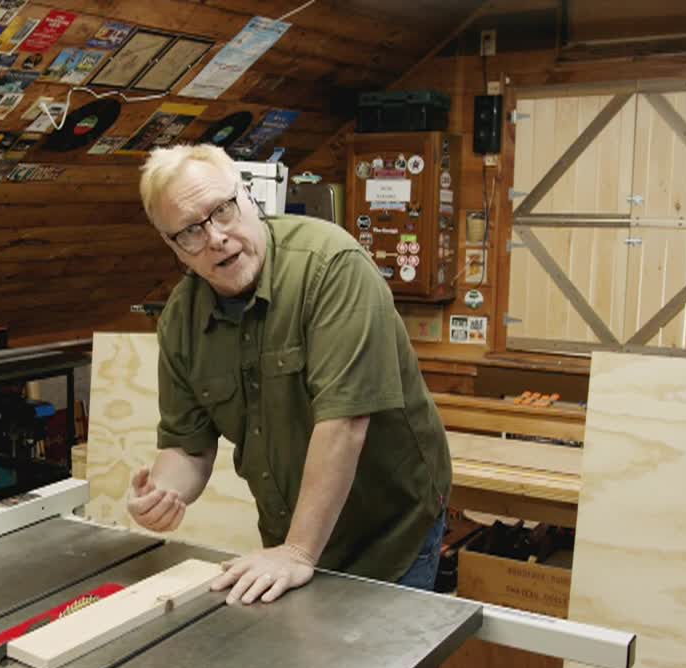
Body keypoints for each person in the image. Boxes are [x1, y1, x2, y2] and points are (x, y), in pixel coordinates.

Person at [131, 143, 452, 612]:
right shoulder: (182, 321)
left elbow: (344, 424)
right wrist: (164, 493)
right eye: (190, 231)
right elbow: (189, 446)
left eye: (222, 211)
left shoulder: (332, 268)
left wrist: (299, 551)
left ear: (248, 197)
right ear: (173, 246)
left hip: (391, 527)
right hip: (293, 532)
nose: (216, 237)